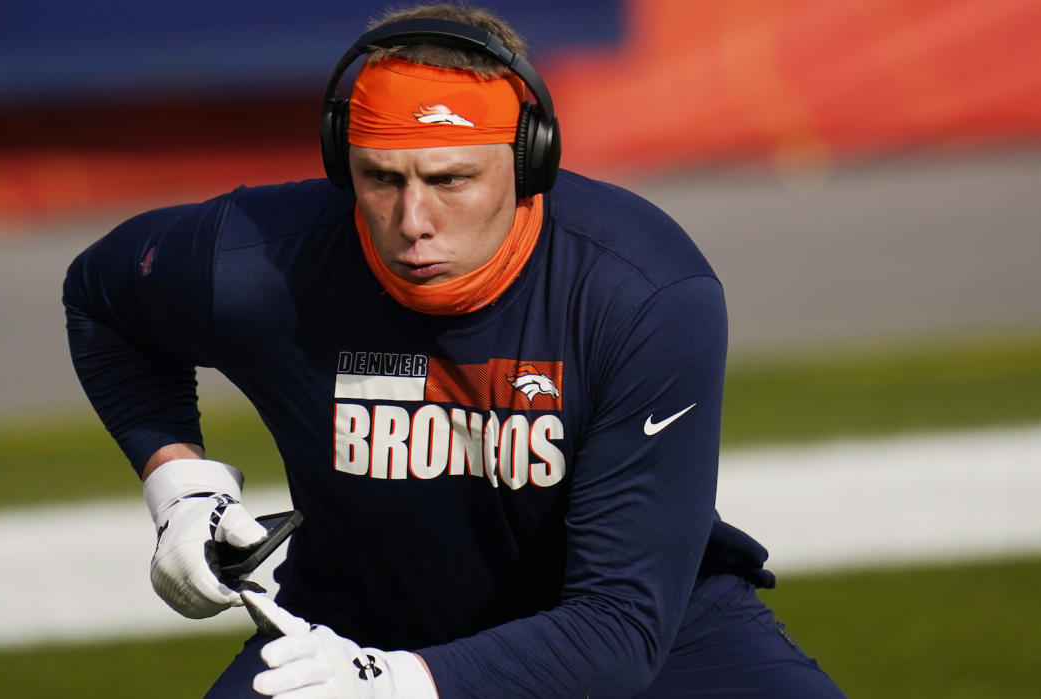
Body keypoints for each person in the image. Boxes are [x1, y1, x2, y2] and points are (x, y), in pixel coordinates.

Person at [63, 3, 845, 697]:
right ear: (342, 162)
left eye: (451, 178)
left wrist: (397, 683)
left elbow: (618, 628)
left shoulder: (642, 292)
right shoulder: (261, 256)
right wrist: (179, 489)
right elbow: (101, 299)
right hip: (349, 632)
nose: (413, 219)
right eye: (380, 178)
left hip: (658, 640)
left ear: (530, 159)